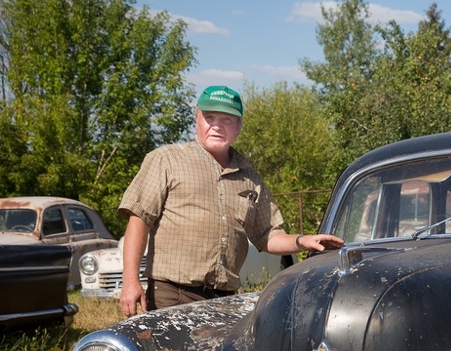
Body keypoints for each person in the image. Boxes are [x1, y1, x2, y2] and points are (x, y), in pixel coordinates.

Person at [118, 85, 343, 317]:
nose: (217, 126)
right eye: (210, 117)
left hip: (223, 300)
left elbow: (267, 236)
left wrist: (303, 240)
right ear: (197, 120)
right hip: (171, 295)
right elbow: (139, 219)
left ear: (238, 127)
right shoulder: (166, 160)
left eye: (227, 119)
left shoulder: (249, 176)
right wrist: (130, 280)